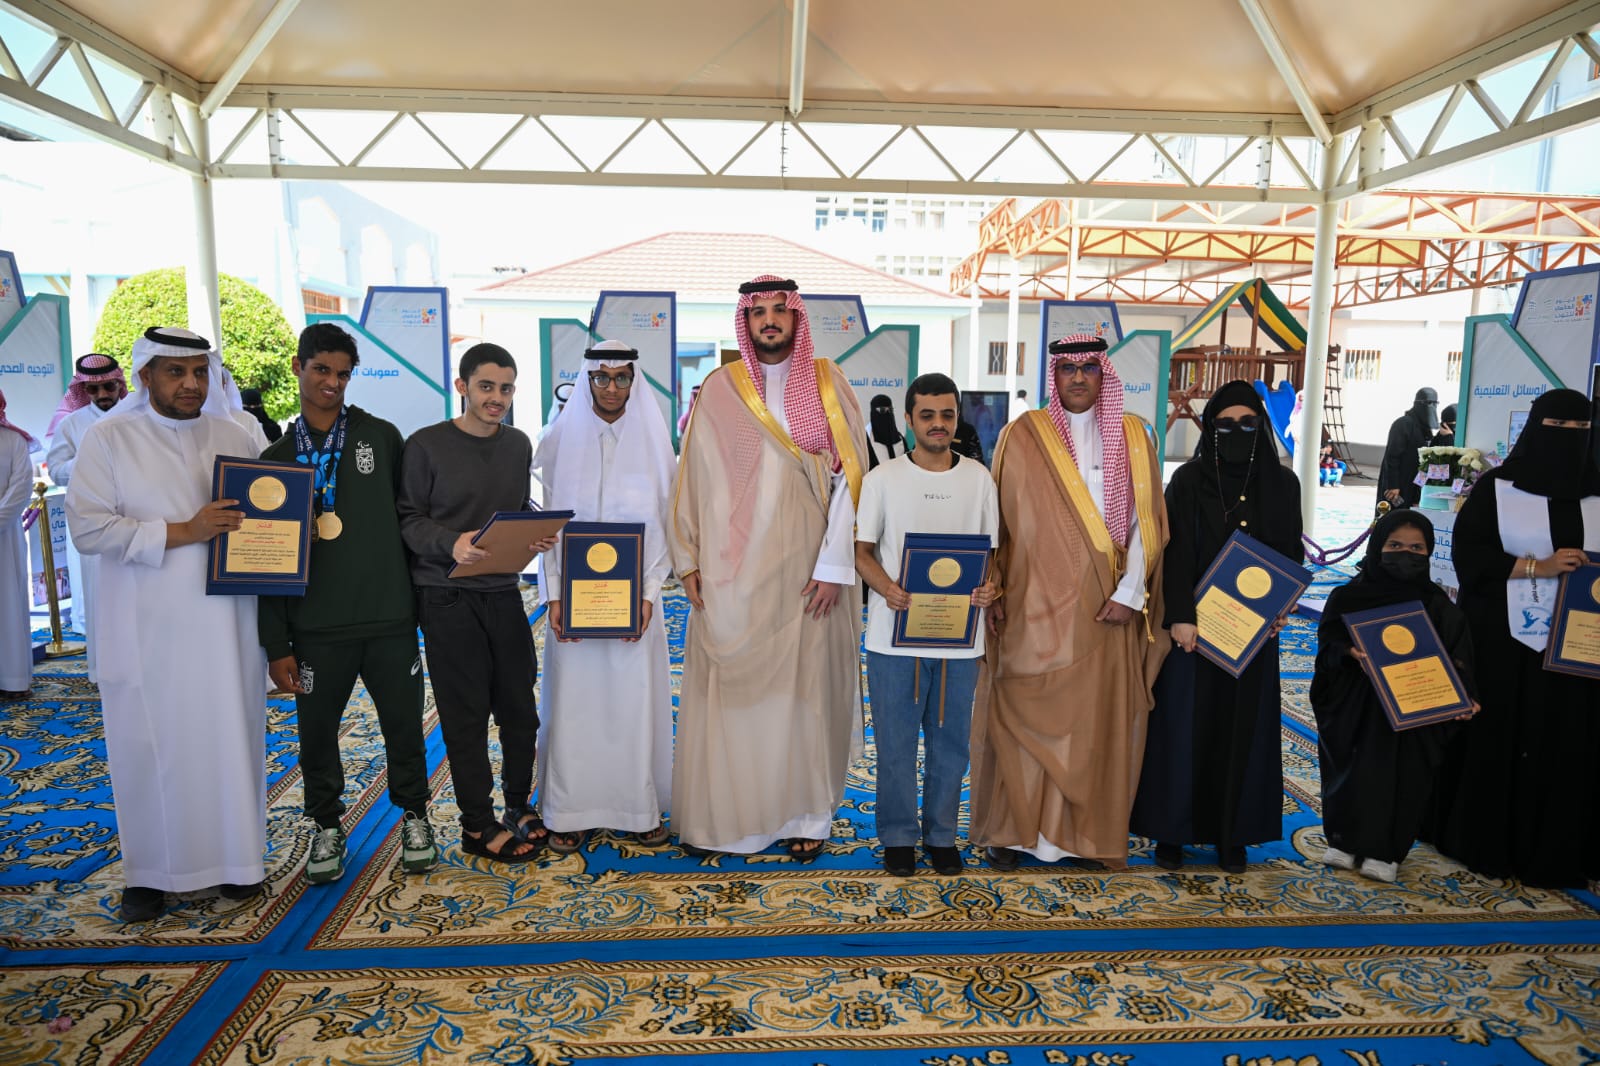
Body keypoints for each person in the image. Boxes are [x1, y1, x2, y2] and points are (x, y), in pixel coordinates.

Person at [64, 327, 267, 922]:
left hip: (228, 628)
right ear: (146, 376)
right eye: (176, 372)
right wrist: (185, 531)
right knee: (149, 746)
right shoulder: (109, 439)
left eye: (200, 372)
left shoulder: (236, 435)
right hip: (148, 629)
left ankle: (237, 862)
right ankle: (150, 875)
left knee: (229, 736)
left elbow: (265, 518)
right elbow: (89, 528)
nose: (191, 384)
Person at [669, 275, 868, 860]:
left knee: (804, 695)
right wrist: (688, 558)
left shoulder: (828, 384)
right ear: (746, 322)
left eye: (781, 310)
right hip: (732, 571)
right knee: (737, 695)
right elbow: (693, 476)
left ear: (797, 318)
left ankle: (805, 816)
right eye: (759, 313)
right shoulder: (720, 388)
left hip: (808, 570)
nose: (771, 321)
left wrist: (834, 566)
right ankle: (730, 821)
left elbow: (852, 481)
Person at [970, 334, 1168, 871]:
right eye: (1067, 368)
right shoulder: (1022, 435)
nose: (1078, 377)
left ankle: (1083, 837)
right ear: (1053, 376)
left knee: (1093, 723)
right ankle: (1014, 833)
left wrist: (1130, 593)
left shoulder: (1133, 436)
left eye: (1088, 367)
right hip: (1029, 603)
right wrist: (994, 586)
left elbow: (1145, 522)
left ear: (1104, 374)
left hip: (1104, 606)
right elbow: (998, 522)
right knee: (1018, 713)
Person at [258, 322, 436, 884]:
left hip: (389, 620)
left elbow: (412, 521)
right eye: (321, 370)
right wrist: (276, 643)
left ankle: (416, 816)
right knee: (316, 736)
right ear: (298, 368)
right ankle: (326, 825)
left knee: (404, 727)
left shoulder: (380, 438)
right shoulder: (275, 458)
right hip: (316, 628)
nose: (332, 382)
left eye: (342, 373)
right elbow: (264, 561)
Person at [1428, 388, 1600, 889]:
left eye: (1581, 429)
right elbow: (1470, 558)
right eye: (1557, 427)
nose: (1569, 438)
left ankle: (1563, 846)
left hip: (1580, 648)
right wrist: (1536, 567)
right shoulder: (1498, 489)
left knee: (1571, 740)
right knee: (1504, 735)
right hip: (1507, 644)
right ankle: (1491, 840)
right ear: (1535, 428)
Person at [1131, 381, 1303, 873]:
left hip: (1254, 634)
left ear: (1261, 427)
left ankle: (1233, 836)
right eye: (1225, 425)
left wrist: (1280, 608)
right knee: (1184, 728)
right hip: (1194, 633)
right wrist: (1181, 616)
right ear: (1209, 429)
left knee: (1241, 731)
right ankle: (1172, 832)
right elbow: (1174, 553)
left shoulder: (1283, 484)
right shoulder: (1188, 480)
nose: (1236, 432)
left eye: (1248, 424)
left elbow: (1290, 553)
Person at [399, 342, 557, 864]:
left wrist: (533, 532)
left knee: (520, 711)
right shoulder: (425, 445)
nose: (497, 398)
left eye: (506, 389)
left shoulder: (517, 445)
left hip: (503, 592)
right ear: (462, 386)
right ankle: (476, 823)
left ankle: (517, 805)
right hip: (446, 597)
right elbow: (408, 520)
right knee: (465, 717)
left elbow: (513, 509)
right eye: (486, 386)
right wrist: (452, 543)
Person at [533, 339, 675, 853]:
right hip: (573, 605)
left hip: (636, 604)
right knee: (574, 705)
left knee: (632, 701)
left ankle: (636, 809)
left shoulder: (654, 443)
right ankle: (569, 811)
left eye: (621, 378)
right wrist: (554, 595)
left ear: (633, 381)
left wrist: (649, 594)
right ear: (588, 380)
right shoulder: (557, 441)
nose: (611, 387)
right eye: (601, 377)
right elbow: (545, 526)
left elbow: (665, 525)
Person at [855, 373, 999, 876]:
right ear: (909, 419)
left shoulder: (979, 479)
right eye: (928, 415)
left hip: (960, 639)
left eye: (947, 415)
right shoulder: (883, 479)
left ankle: (941, 836)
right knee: (895, 744)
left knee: (951, 745)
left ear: (957, 417)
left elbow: (992, 554)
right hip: (893, 638)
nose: (939, 424)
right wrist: (886, 587)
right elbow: (862, 552)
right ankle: (898, 836)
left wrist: (992, 587)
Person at [1312, 509, 1478, 883]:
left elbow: (1459, 655)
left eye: (1417, 548)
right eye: (1395, 545)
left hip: (1412, 708)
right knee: (1350, 768)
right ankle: (1342, 839)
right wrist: (1349, 653)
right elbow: (1327, 644)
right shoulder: (1348, 597)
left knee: (1404, 774)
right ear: (1377, 548)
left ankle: (1386, 850)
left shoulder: (1437, 604)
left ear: (1429, 552)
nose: (1406, 554)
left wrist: (1465, 694)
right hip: (1357, 703)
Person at [45, 353, 128, 679]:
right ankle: (103, 671)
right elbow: (56, 471)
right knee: (100, 597)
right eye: (93, 389)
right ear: (83, 390)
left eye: (109, 387)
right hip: (96, 523)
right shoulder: (73, 424)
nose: (102, 394)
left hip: (139, 518)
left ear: (119, 384)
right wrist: (91, 458)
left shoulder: (138, 415)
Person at [1, 389, 38, 701]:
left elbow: (21, 488)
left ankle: (12, 679)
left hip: (5, 538)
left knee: (8, 604)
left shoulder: (14, 441)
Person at [1377, 387, 1439, 510]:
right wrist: (1393, 485)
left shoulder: (1424, 429)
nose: (1431, 407)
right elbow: (1392, 456)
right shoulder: (1403, 424)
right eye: (1428, 403)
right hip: (1397, 484)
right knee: (1392, 516)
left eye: (1434, 404)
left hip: (1412, 483)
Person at [865, 393, 905, 469]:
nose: (887, 414)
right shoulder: (866, 441)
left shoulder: (900, 439)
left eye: (890, 410)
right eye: (882, 410)